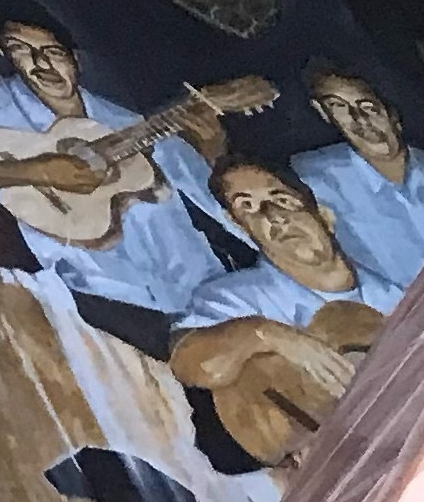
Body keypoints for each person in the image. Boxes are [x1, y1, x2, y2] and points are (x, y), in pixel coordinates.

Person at [0, 4, 240, 334]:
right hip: (89, 307)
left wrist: (213, 152)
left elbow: (224, 205)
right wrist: (35, 172)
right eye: (21, 50)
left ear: (76, 59)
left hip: (202, 298)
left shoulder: (130, 123)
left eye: (54, 52)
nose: (41, 63)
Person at [172, 160, 410, 463]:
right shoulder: (235, 296)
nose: (274, 216)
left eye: (282, 199)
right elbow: (190, 363)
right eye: (248, 208)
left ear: (324, 214)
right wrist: (271, 335)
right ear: (240, 227)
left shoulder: (398, 297)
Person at [289, 61, 424, 287]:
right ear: (323, 112)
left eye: (369, 106)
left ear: (393, 113)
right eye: (339, 106)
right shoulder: (311, 178)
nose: (360, 119)